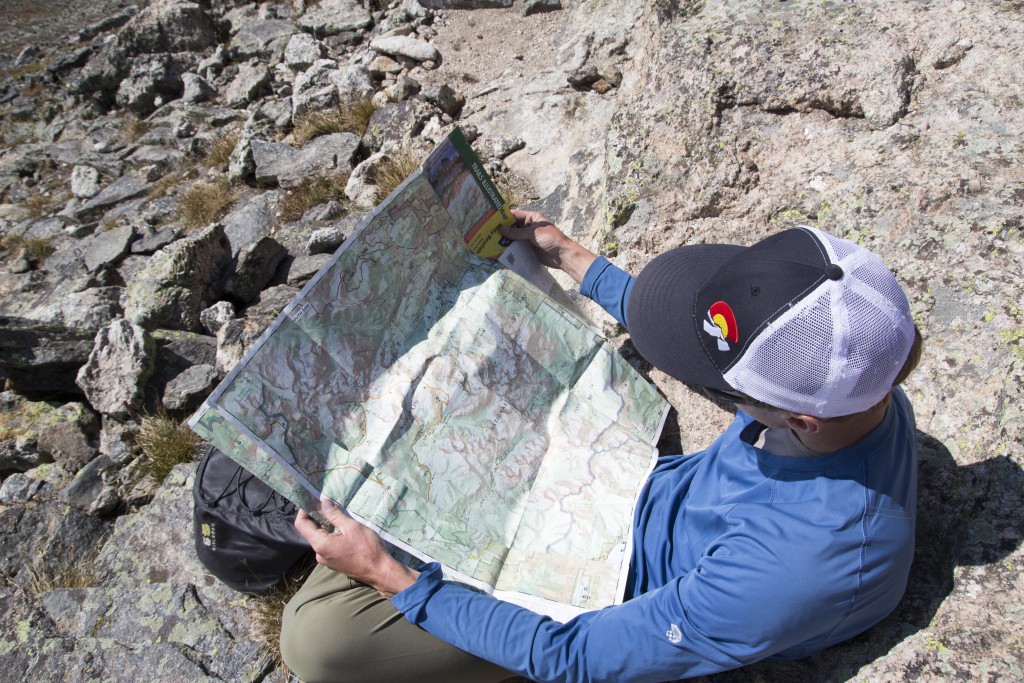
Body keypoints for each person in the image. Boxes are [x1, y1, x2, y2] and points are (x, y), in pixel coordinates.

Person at [280, 210, 923, 683]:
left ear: (801, 419)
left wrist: (389, 577)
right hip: (617, 489)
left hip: (604, 593)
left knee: (316, 642)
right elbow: (727, 345)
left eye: (730, 381)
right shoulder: (859, 379)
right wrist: (570, 257)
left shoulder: (798, 567)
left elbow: (576, 654)